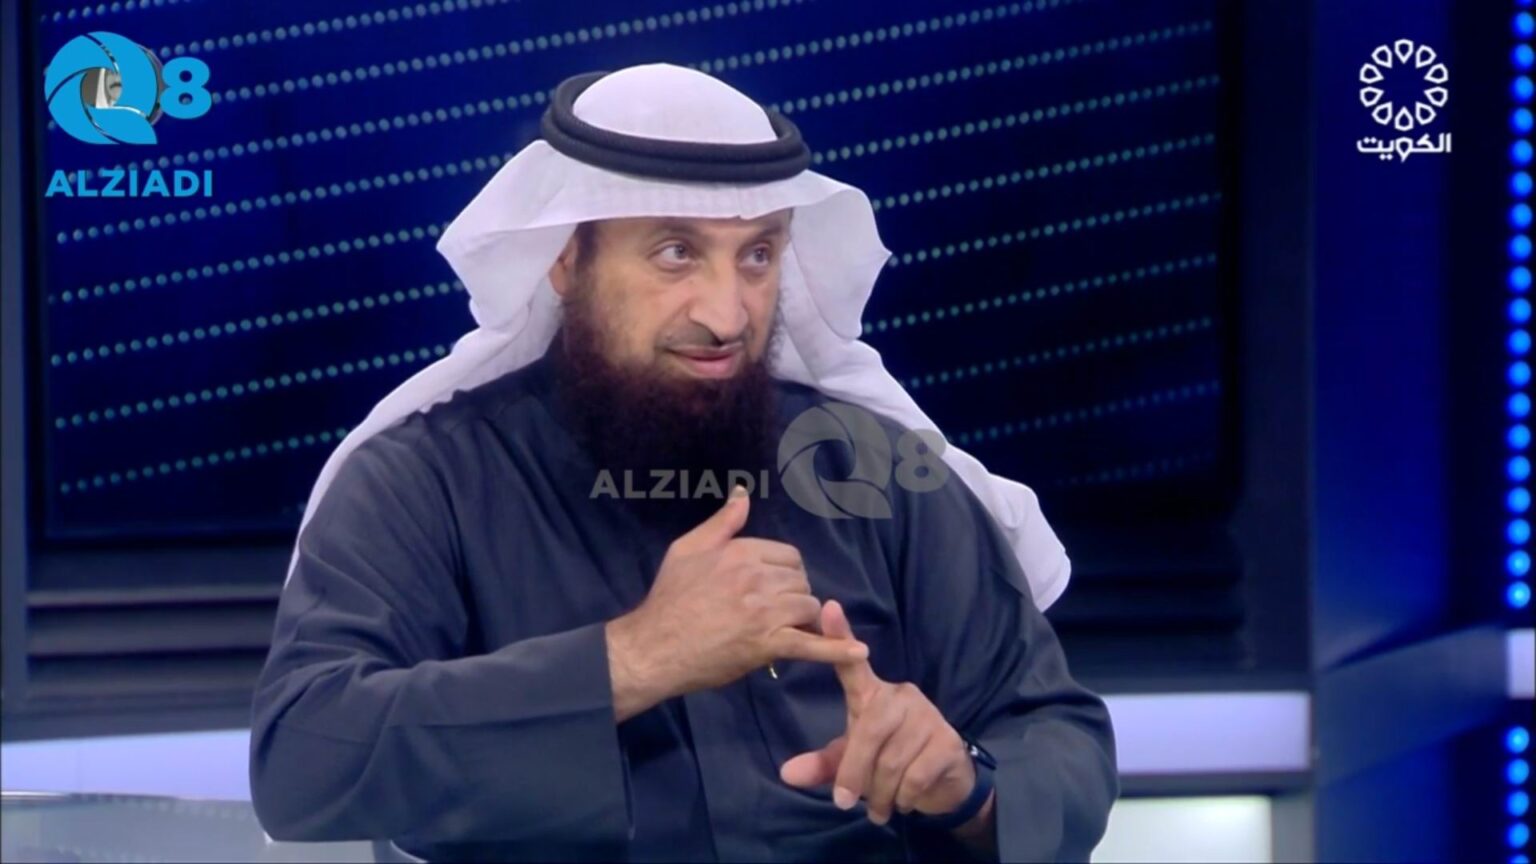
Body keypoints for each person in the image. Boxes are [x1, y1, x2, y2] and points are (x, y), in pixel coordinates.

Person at [249, 64, 1117, 862]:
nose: (727, 314)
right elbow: (304, 764)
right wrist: (633, 658)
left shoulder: (875, 471)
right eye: (676, 254)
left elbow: (1059, 739)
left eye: (758, 255)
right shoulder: (423, 482)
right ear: (566, 260)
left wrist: (967, 786)